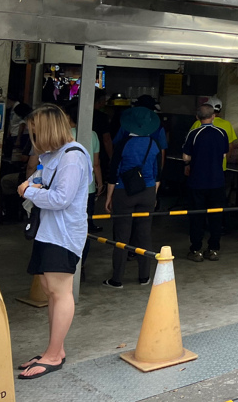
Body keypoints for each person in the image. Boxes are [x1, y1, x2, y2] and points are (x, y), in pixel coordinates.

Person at [17, 104, 91, 380]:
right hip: (48, 232)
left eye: (35, 131)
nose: (33, 137)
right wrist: (31, 185)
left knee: (60, 292)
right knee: (50, 288)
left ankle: (53, 354)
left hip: (63, 234)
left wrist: (31, 191)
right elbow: (37, 179)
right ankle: (54, 349)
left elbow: (61, 198)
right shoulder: (53, 155)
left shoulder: (72, 157)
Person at [104, 106, 162, 288]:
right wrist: (153, 195)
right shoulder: (154, 144)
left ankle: (117, 279)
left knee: (121, 237)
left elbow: (113, 174)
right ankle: (144, 277)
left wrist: (108, 198)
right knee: (144, 235)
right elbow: (157, 174)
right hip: (148, 191)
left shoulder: (122, 144)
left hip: (124, 192)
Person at [183, 104, 228, 262]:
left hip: (197, 182)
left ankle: (196, 250)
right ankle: (213, 249)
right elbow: (223, 155)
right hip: (217, 181)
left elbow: (186, 157)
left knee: (197, 216)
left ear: (197, 117)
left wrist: (191, 163)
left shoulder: (193, 134)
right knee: (216, 216)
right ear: (214, 116)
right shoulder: (221, 133)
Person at [64, 101, 103, 275]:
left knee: (64, 225)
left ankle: (64, 262)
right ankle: (81, 263)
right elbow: (96, 164)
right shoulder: (92, 134)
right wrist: (100, 182)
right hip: (88, 188)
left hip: (65, 188)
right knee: (83, 227)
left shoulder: (61, 135)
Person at [189, 96, 238, 167]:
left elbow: (190, 144)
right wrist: (225, 161)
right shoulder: (227, 124)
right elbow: (230, 146)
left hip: (199, 165)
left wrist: (188, 164)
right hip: (219, 166)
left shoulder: (198, 123)